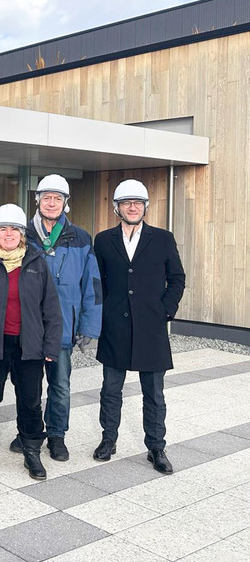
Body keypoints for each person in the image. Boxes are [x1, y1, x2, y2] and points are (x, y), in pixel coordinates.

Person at [0, 204, 61, 481]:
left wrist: (50, 346)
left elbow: (51, 309)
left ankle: (32, 452)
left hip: (29, 347)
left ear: (22, 234)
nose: (8, 234)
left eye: (14, 229)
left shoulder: (37, 263)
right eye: (3, 229)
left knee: (30, 402)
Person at [7, 174, 101, 461]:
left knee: (60, 385)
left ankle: (57, 435)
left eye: (57, 198)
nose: (51, 203)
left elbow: (92, 286)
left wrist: (88, 326)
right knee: (28, 385)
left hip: (62, 328)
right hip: (29, 326)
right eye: (46, 197)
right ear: (37, 200)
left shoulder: (81, 238)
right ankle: (30, 431)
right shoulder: (24, 236)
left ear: (65, 203)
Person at [94, 179, 185, 474]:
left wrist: (165, 310)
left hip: (151, 326)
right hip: (115, 327)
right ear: (117, 208)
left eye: (137, 203)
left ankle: (156, 447)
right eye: (126, 203)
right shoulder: (104, 240)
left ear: (145, 207)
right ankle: (109, 439)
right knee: (110, 389)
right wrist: (103, 313)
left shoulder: (163, 238)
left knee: (154, 393)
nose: (132, 207)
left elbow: (177, 278)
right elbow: (99, 282)